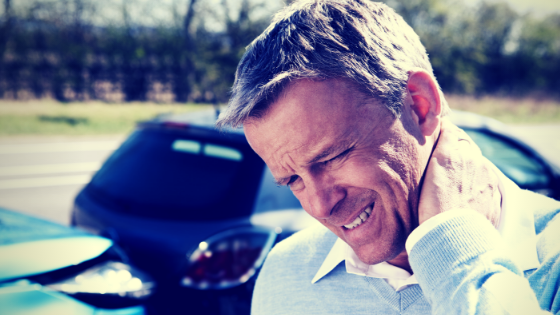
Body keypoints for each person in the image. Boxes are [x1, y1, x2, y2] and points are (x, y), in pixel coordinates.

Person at [216, 0, 560, 314]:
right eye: (293, 180)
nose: (321, 207)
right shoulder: (286, 273)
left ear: (419, 105)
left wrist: (454, 245)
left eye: (332, 157)